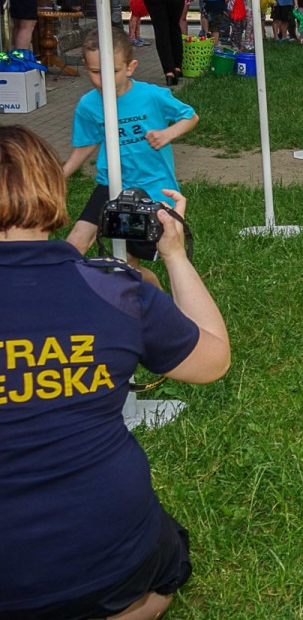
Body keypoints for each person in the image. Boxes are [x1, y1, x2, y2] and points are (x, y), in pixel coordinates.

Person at [0, 125, 230, 620]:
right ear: (52, 189)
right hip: (109, 560)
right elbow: (214, 361)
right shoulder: (117, 291)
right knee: (161, 582)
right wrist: (173, 256)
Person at [62, 29, 198, 289]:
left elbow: (190, 117)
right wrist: (61, 175)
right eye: (94, 72)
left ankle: (161, 302)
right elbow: (86, 144)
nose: (102, 81)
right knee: (75, 245)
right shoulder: (88, 105)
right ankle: (66, 299)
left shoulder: (152, 96)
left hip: (151, 186)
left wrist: (169, 133)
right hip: (110, 185)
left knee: (130, 266)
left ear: (130, 67)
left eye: (112, 71)